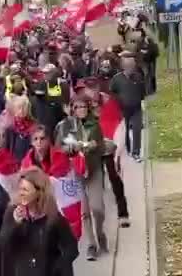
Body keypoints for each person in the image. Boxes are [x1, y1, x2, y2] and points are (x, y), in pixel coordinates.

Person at [55, 96, 108, 259]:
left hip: (94, 170)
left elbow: (102, 147)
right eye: (77, 107)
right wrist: (70, 148)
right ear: (72, 109)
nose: (81, 110)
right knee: (85, 212)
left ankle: (100, 234)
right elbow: (59, 147)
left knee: (97, 208)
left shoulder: (95, 124)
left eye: (84, 106)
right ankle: (91, 245)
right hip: (76, 172)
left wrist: (93, 146)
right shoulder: (66, 126)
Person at [1, 167, 78, 276]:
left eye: (25, 190)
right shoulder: (12, 212)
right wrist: (15, 224)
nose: (21, 193)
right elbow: (4, 247)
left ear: (39, 192)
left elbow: (71, 248)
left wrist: (58, 268)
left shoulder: (53, 217)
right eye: (20, 189)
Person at [108, 53, 146, 161]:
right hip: (123, 109)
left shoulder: (138, 77)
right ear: (124, 67)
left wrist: (142, 101)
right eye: (128, 66)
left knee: (137, 129)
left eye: (132, 66)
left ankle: (136, 152)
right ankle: (128, 149)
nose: (131, 69)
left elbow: (142, 90)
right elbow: (112, 92)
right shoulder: (117, 79)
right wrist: (117, 102)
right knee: (125, 130)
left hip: (136, 108)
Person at [2, 96, 37, 162]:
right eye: (19, 108)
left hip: (29, 163)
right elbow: (5, 150)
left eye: (24, 107)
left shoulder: (35, 126)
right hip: (13, 164)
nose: (22, 110)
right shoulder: (9, 128)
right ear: (14, 110)